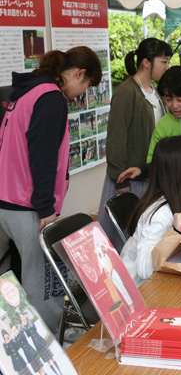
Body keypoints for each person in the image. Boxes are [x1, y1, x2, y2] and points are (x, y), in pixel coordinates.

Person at [0, 47, 102, 334]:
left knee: (21, 275)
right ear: (80, 74)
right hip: (28, 205)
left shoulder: (27, 91)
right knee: (44, 282)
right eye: (85, 87)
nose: (80, 94)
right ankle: (48, 348)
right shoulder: (50, 97)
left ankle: (24, 337)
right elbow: (41, 155)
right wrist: (46, 207)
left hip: (8, 200)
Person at [97, 38, 171, 251]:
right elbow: (116, 139)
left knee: (145, 239)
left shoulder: (155, 91)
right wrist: (121, 183)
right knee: (124, 239)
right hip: (128, 179)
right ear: (146, 63)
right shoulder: (126, 92)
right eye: (163, 62)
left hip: (149, 177)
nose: (167, 67)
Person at [120, 135, 181, 287]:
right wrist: (175, 234)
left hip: (162, 279)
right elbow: (143, 270)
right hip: (137, 291)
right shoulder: (160, 213)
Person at [117, 66, 181, 183]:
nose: (174, 105)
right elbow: (157, 164)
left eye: (180, 100)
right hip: (180, 188)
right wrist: (142, 169)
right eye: (168, 99)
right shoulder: (165, 125)